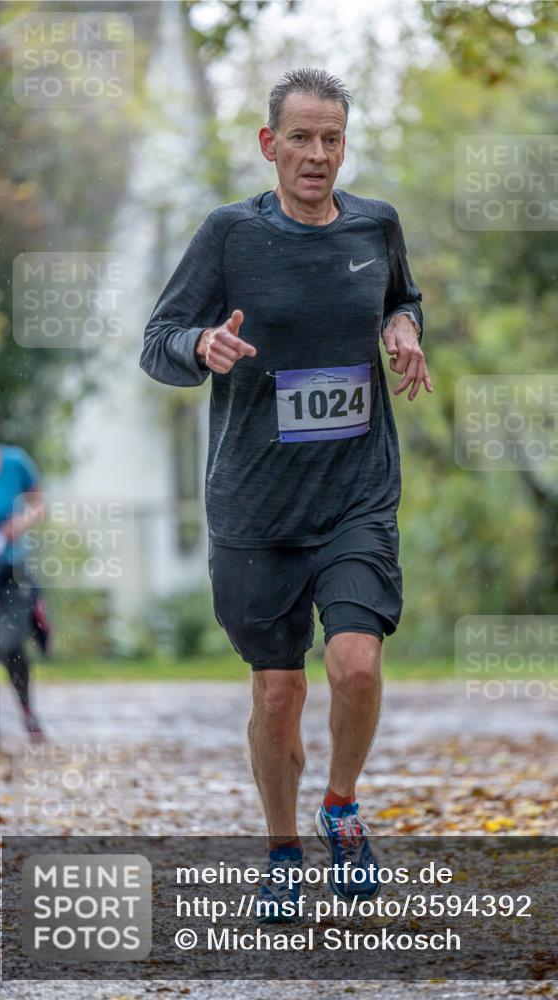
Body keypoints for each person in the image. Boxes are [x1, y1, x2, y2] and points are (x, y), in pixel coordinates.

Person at [140, 68, 432, 919]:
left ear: (345, 142)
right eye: (300, 138)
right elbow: (156, 341)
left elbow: (399, 296)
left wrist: (403, 325)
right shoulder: (229, 235)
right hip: (255, 507)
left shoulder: (376, 225)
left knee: (356, 664)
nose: (316, 154)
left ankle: (339, 806)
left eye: (331, 138)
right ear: (269, 145)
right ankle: (280, 850)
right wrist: (200, 345)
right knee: (276, 693)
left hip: (355, 493)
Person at [0, 388, 48, 750]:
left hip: (11, 570)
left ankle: (27, 712)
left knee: (10, 643)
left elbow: (38, 502)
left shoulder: (15, 462)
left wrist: (18, 525)